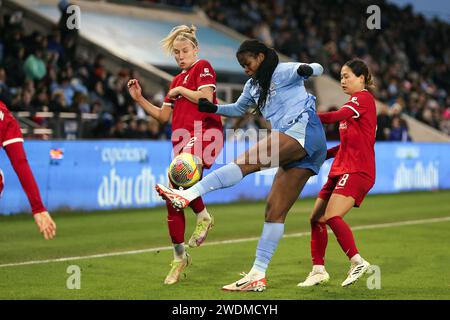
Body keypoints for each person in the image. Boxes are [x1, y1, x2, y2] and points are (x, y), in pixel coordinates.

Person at [156, 39, 327, 292]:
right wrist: (214, 107)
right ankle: (257, 274)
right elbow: (238, 108)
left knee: (245, 162)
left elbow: (318, 67)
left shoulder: (283, 71)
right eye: (241, 66)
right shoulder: (252, 86)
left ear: (260, 57)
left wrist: (307, 70)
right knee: (274, 211)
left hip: (303, 131)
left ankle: (187, 194)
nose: (245, 69)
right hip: (303, 148)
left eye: (247, 64)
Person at [127, 25, 223, 285]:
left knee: (181, 172)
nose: (181, 56)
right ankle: (180, 256)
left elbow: (205, 98)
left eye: (184, 50)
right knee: (174, 199)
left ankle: (203, 216)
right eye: (176, 53)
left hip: (206, 132)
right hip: (181, 139)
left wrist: (180, 92)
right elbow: (162, 116)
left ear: (195, 49)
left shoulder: (202, 66)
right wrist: (139, 99)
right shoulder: (175, 81)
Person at [298, 59, 377, 288]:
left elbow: (334, 117)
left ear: (361, 78)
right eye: (341, 76)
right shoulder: (352, 105)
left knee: (332, 216)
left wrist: (309, 116)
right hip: (341, 168)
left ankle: (357, 261)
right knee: (316, 219)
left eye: (347, 76)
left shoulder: (362, 99)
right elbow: (344, 146)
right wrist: (321, 156)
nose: (343, 80)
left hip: (358, 170)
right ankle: (318, 270)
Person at [0, 100, 56, 240]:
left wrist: (38, 208)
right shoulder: (6, 118)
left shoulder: (5, 118)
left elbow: (20, 164)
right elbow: (21, 164)